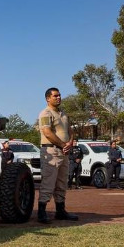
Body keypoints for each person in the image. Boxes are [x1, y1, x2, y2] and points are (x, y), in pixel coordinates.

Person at [37, 87, 78, 224]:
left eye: (59, 95)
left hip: (64, 152)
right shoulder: (45, 113)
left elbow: (70, 130)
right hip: (51, 151)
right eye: (55, 96)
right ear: (48, 98)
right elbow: (47, 132)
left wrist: (70, 143)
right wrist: (62, 144)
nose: (59, 97)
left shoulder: (63, 114)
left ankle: (60, 211)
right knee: (48, 182)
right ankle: (41, 212)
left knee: (62, 183)